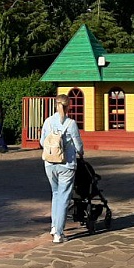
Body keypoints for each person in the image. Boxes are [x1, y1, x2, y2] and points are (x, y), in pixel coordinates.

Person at [39, 94, 84, 243]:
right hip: (66, 164)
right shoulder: (70, 123)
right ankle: (58, 233)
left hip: (50, 163)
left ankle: (53, 226)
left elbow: (41, 141)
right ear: (69, 106)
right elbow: (78, 144)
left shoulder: (48, 121)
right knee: (64, 197)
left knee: (56, 194)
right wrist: (80, 153)